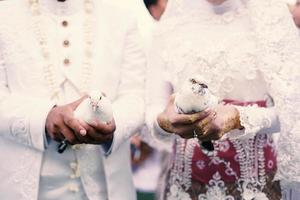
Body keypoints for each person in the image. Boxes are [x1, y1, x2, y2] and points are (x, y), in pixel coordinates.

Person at [146, 0, 300, 199]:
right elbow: (153, 109)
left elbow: (294, 109)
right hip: (186, 185)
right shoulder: (171, 21)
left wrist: (239, 118)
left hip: (255, 187)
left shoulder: (271, 17)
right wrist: (164, 122)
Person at [0, 0, 145, 199]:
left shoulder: (122, 17)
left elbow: (136, 96)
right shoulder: (4, 14)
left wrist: (110, 123)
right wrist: (45, 117)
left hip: (108, 189)